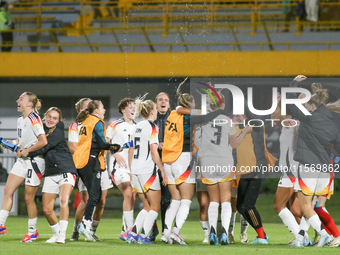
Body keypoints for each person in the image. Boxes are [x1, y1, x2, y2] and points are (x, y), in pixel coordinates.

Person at [161, 80, 229, 245]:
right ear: (189, 104)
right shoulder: (189, 116)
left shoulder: (172, 113)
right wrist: (219, 109)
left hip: (167, 160)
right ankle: (176, 232)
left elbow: (179, 108)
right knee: (186, 200)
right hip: (181, 158)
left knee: (175, 199)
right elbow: (208, 116)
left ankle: (165, 233)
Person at [288, 75, 340, 247]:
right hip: (325, 170)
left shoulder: (309, 118)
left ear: (311, 105)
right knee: (309, 205)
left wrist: (294, 83)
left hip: (309, 167)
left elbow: (290, 104)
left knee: (305, 206)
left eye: (307, 105)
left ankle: (325, 234)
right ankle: (301, 238)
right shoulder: (333, 126)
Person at [198, 91, 251, 245]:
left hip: (207, 160)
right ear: (223, 104)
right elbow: (234, 144)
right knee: (226, 199)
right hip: (224, 160)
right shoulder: (228, 121)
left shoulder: (203, 120)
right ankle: (225, 234)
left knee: (213, 200)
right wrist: (245, 133)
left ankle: (213, 232)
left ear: (209, 105)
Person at [0, 92, 47, 242]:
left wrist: (26, 150)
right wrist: (13, 142)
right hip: (22, 160)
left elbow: (43, 141)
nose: (17, 100)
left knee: (28, 198)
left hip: (34, 161)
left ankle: (32, 231)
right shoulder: (21, 119)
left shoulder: (34, 118)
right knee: (8, 190)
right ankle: (1, 224)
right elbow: (23, 139)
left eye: (21, 99)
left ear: (30, 104)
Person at [27, 107, 77, 244]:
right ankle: (56, 234)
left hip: (66, 169)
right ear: (45, 117)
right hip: (51, 172)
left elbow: (45, 147)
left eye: (54, 118)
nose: (51, 120)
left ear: (59, 121)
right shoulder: (41, 130)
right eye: (49, 116)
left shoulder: (58, 130)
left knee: (63, 200)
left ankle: (62, 235)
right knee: (47, 209)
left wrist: (27, 152)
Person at [73, 100, 121, 242]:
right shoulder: (96, 121)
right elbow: (102, 144)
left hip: (81, 161)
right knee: (94, 196)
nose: (105, 110)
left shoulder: (85, 121)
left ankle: (85, 226)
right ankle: (85, 225)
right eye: (103, 108)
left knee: (97, 195)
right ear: (96, 110)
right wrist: (116, 147)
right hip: (90, 160)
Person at [126, 98, 168, 244]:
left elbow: (131, 150)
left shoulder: (136, 127)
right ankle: (144, 236)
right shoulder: (152, 127)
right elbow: (153, 150)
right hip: (147, 171)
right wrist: (162, 169)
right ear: (151, 111)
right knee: (155, 207)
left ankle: (133, 234)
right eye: (155, 109)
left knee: (147, 206)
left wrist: (131, 171)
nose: (157, 112)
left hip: (136, 170)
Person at [271, 95, 305, 245]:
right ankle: (313, 235)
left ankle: (301, 237)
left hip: (291, 171)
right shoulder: (285, 126)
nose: (273, 113)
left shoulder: (293, 124)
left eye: (276, 109)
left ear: (283, 110)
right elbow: (275, 121)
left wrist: (297, 101)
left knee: (278, 206)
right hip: (293, 171)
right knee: (297, 210)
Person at [233, 110, 269, 245]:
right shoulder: (237, 130)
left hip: (257, 169)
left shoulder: (255, 126)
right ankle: (262, 234)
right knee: (240, 206)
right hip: (245, 170)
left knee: (248, 205)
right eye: (236, 115)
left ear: (247, 116)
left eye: (240, 114)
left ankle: (261, 237)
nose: (237, 117)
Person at [106, 97, 136, 241]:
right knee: (128, 194)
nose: (133, 109)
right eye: (130, 107)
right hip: (118, 166)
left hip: (133, 166)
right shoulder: (114, 124)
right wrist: (115, 153)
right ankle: (130, 231)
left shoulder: (137, 126)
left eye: (134, 107)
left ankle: (125, 230)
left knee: (132, 197)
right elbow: (105, 143)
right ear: (123, 110)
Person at [149, 92, 171, 241]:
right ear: (156, 103)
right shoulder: (150, 120)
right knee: (151, 200)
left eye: (166, 100)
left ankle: (165, 231)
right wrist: (156, 145)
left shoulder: (174, 119)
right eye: (160, 100)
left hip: (168, 162)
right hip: (151, 163)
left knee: (167, 199)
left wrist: (167, 145)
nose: (163, 102)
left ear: (169, 104)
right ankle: (153, 228)